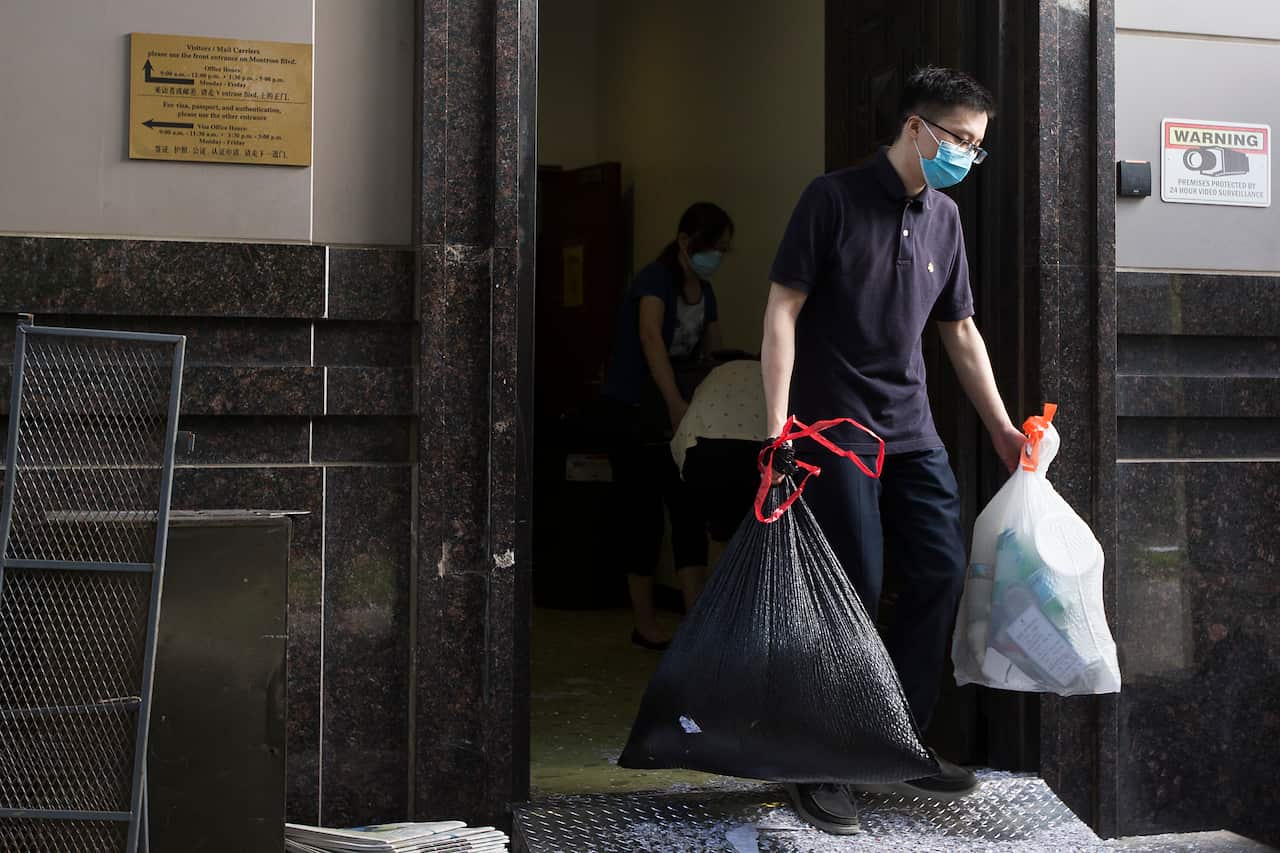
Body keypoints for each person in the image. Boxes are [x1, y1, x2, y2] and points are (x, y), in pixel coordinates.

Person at [761, 67, 1026, 834]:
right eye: (960, 141)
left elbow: (961, 333)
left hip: (911, 432)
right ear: (916, 127)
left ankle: (893, 739)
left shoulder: (945, 219)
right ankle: (824, 757)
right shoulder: (832, 199)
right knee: (853, 583)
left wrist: (1003, 429)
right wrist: (775, 426)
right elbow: (782, 308)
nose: (968, 158)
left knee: (940, 570)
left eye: (978, 148)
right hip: (830, 430)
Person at [601, 202, 733, 650]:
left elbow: (712, 354)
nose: (716, 256)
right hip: (638, 411)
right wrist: (675, 402)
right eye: (712, 248)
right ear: (685, 242)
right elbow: (650, 339)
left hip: (681, 417)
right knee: (641, 518)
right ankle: (645, 623)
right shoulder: (653, 281)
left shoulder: (706, 291)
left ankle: (695, 623)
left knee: (688, 513)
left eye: (722, 250)